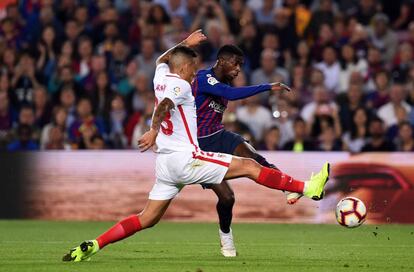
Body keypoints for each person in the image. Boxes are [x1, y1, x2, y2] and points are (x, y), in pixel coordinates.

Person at [62, 38, 330, 263]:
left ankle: (94, 244)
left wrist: (183, 43)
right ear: (186, 67)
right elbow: (166, 104)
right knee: (249, 167)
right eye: (192, 68)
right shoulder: (181, 85)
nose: (195, 74)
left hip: (166, 165)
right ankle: (307, 188)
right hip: (186, 156)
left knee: (147, 218)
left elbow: (160, 62)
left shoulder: (160, 76)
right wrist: (153, 129)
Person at [192, 44, 298, 257]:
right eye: (235, 63)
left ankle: (289, 186)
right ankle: (225, 236)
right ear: (221, 61)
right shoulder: (205, 78)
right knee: (227, 198)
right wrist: (267, 86)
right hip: (198, 145)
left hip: (219, 135)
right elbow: (230, 95)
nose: (239, 69)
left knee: (252, 156)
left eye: (241, 65)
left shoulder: (224, 81)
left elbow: (227, 92)